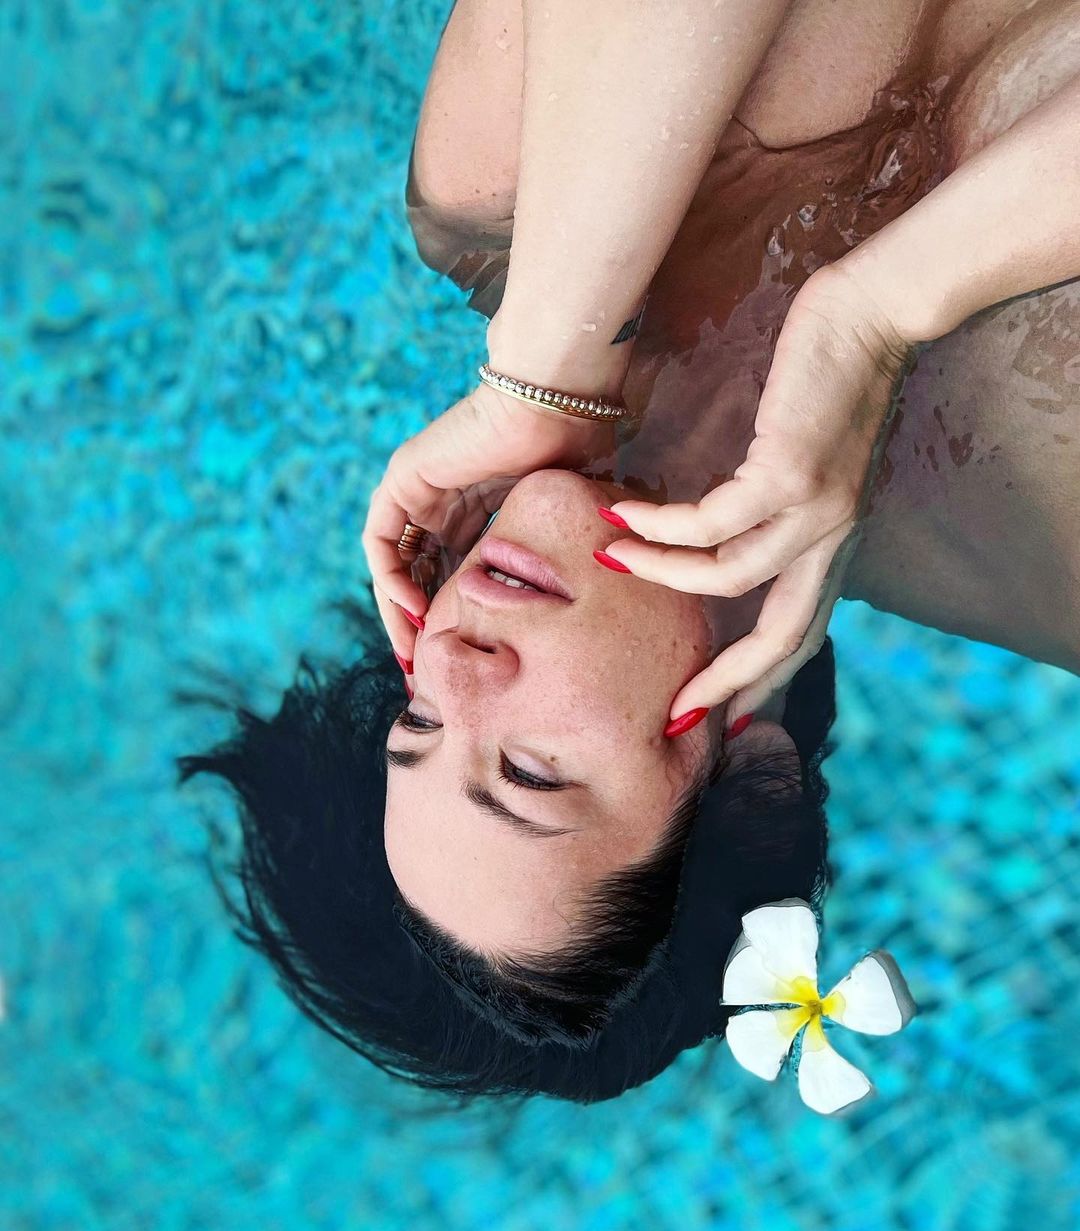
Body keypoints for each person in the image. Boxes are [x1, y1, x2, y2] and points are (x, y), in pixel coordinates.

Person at [182, 0, 1080, 1104]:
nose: (453, 665)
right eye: (527, 772)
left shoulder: (502, 195)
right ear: (748, 775)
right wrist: (874, 314)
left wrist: (546, 370)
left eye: (417, 723)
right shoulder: (1056, 545)